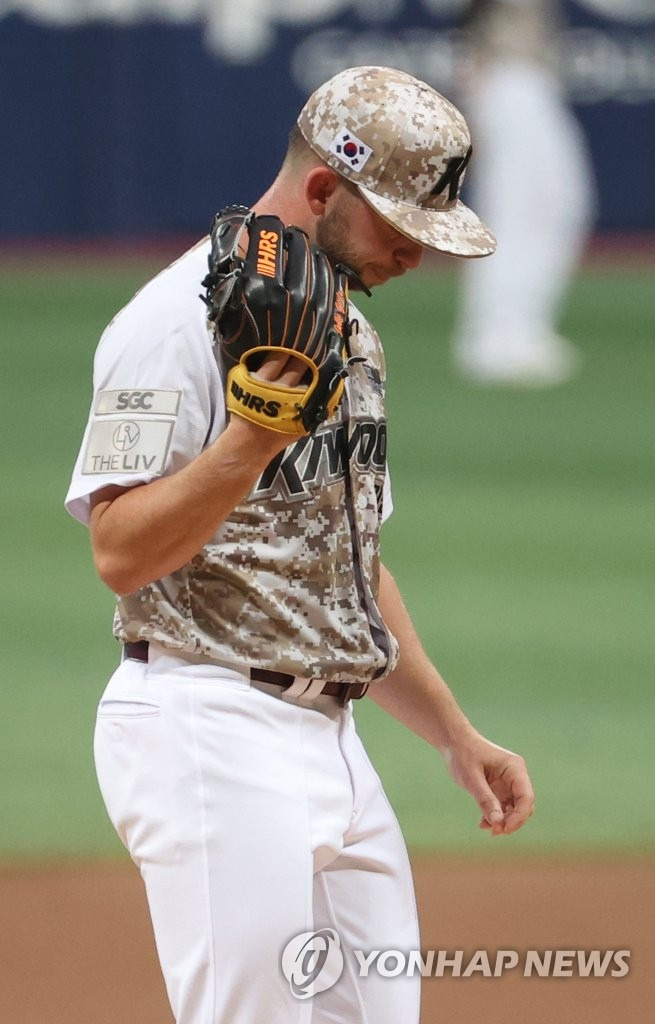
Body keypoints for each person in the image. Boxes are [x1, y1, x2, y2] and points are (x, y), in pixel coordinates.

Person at [65, 65, 534, 1024]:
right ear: (323, 189)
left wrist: (451, 731)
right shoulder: (166, 326)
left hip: (331, 737)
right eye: (401, 228)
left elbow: (348, 566)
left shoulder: (350, 334)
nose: (415, 255)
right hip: (207, 728)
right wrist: (249, 440)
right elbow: (117, 551)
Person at [451, 0, 596, 387]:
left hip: (528, 76)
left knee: (560, 203)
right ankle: (494, 338)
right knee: (516, 213)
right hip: (506, 76)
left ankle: (524, 328)